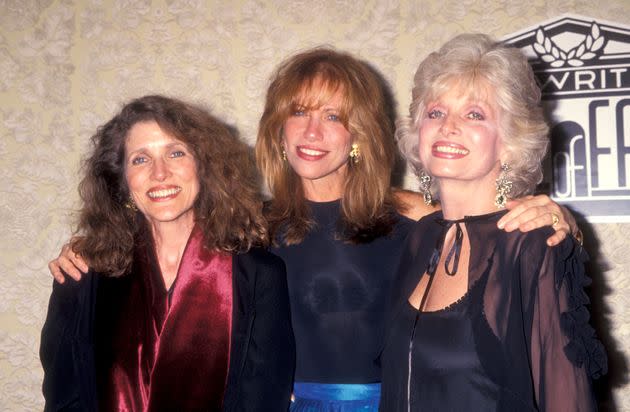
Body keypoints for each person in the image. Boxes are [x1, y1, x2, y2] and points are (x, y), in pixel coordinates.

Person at [48, 49, 577, 411]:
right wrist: (86, 251)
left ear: (357, 135)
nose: (311, 131)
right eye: (298, 112)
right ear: (278, 130)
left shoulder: (411, 218)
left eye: (332, 115)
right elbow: (159, 229)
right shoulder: (248, 225)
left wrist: (559, 219)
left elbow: (492, 231)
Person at [379, 34, 607, 411]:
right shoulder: (421, 237)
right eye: (435, 112)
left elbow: (567, 399)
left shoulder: (530, 242)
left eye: (474, 114)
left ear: (509, 142)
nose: (448, 126)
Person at [40, 95, 295, 411]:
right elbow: (64, 397)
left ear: (204, 167)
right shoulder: (81, 275)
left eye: (176, 153)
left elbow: (265, 399)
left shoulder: (260, 275)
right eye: (140, 159)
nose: (160, 173)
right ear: (121, 181)